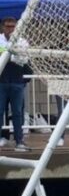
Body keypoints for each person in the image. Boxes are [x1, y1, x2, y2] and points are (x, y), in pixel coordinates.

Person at [0, 16, 31, 152]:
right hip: (1, 81)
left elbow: (23, 59)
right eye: (8, 26)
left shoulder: (23, 41)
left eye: (13, 26)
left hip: (17, 81)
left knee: (18, 112)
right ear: (2, 27)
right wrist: (12, 55)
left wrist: (8, 55)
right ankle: (2, 137)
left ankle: (19, 141)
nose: (10, 29)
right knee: (0, 111)